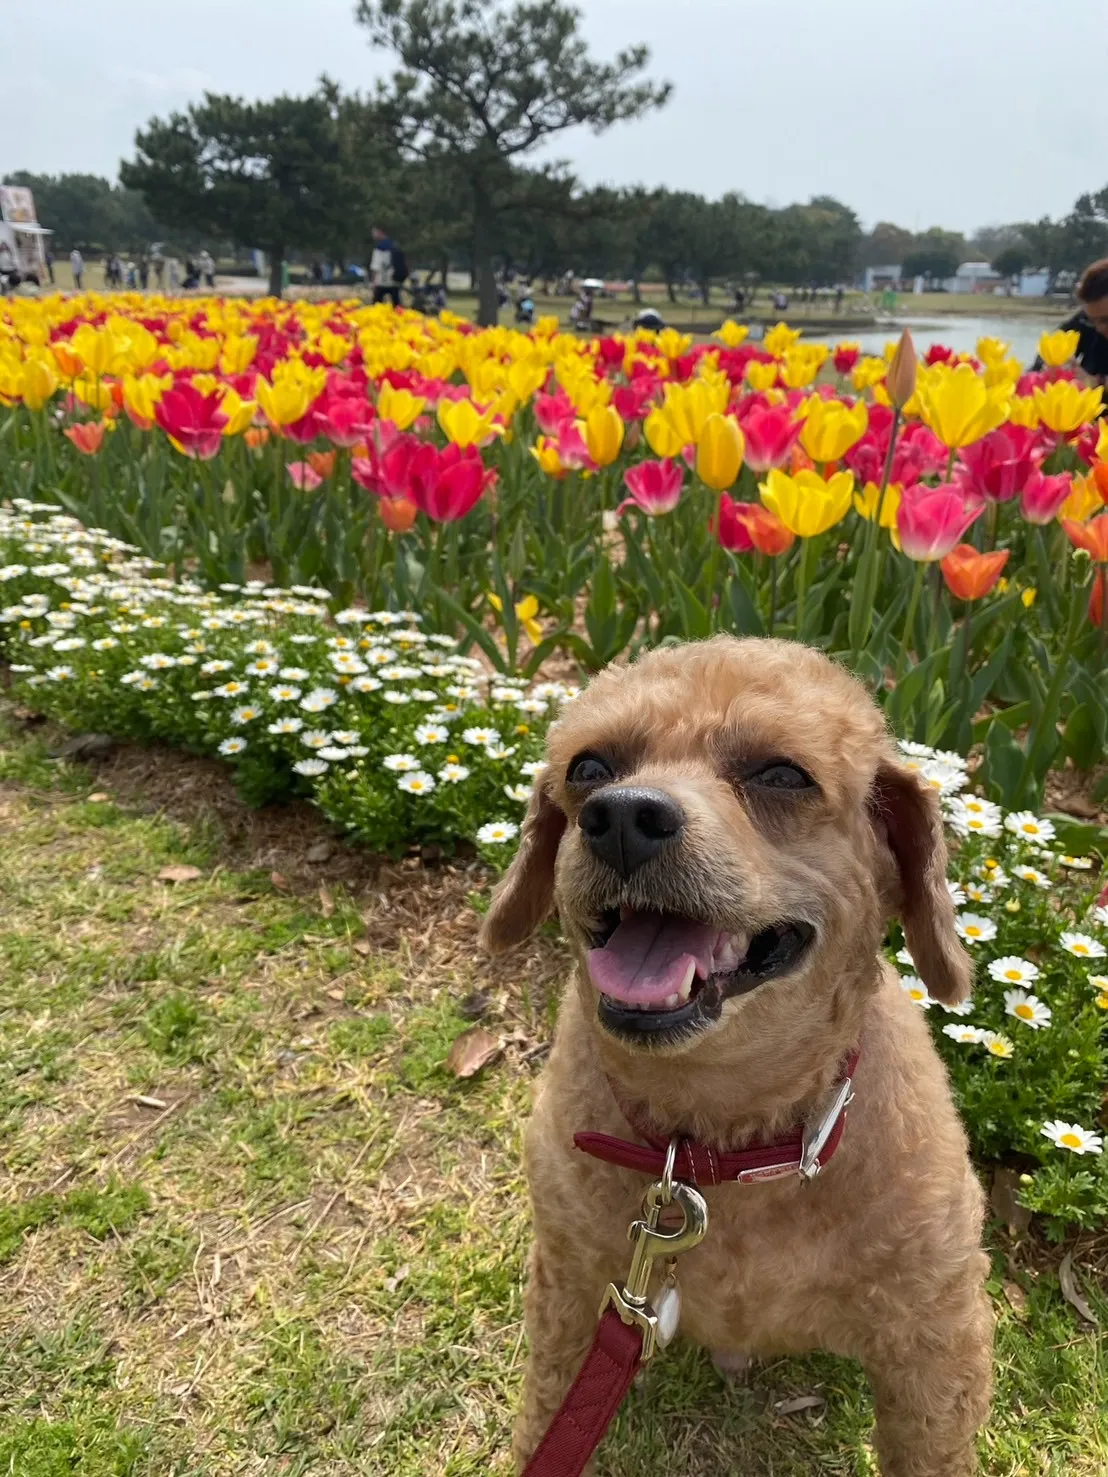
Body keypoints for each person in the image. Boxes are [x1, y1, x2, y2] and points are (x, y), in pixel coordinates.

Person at [1032, 258, 1108, 384]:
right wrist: (1053, 366)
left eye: (1106, 320)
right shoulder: (1084, 320)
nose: (1099, 328)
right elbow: (1050, 346)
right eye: (1093, 321)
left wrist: (1097, 382)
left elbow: (1091, 382)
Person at [369, 226, 406, 307]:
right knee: (396, 306)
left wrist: (373, 282)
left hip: (382, 281)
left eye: (374, 232)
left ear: (380, 232)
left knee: (376, 305)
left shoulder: (379, 248)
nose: (373, 235)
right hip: (394, 280)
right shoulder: (394, 246)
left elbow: (376, 267)